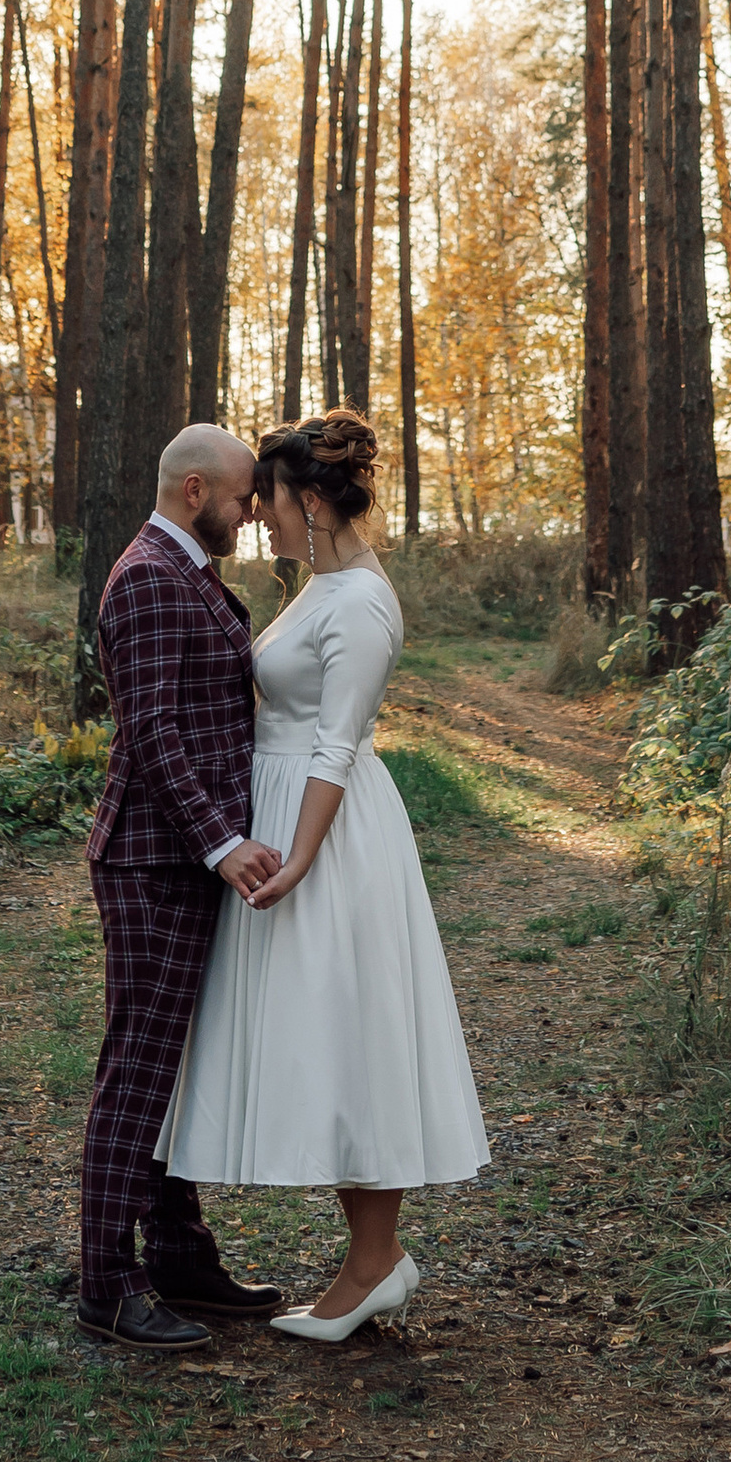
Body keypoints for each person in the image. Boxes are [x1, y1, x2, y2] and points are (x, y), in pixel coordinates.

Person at [158, 407, 488, 1344]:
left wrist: (300, 855)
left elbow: (337, 745)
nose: (257, 516)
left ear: (309, 498)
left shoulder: (362, 603)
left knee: (352, 1035)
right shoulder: (319, 585)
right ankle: (369, 1260)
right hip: (285, 819)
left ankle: (374, 1261)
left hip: (329, 839)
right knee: (329, 1035)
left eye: (268, 501)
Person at [76, 422, 289, 1351]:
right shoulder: (151, 580)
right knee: (139, 1071)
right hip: (156, 861)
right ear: (196, 491)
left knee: (172, 1068)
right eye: (244, 498)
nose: (251, 514)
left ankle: (179, 1254)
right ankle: (108, 1283)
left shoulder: (185, 572)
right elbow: (151, 735)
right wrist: (221, 844)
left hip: (176, 858)